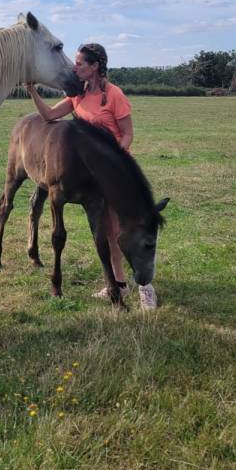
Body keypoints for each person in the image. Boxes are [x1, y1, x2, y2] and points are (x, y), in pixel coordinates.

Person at [24, 42, 158, 310]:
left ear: (95, 66)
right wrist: (32, 90)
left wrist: (115, 159)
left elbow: (127, 134)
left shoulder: (115, 95)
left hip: (117, 175)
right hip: (92, 177)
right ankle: (118, 284)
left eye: (79, 64)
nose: (75, 68)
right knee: (108, 232)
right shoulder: (78, 95)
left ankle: (146, 289)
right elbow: (49, 115)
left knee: (131, 228)